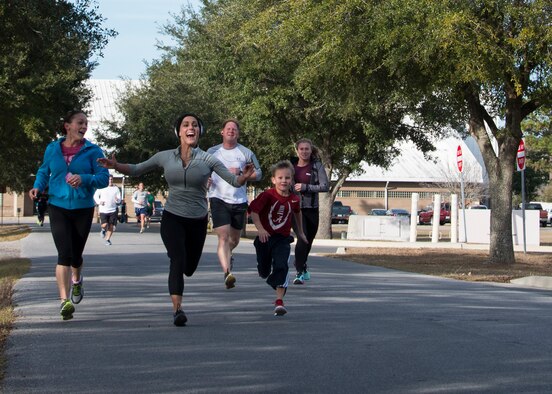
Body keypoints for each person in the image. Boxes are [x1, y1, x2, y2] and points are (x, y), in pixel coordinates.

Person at [98, 113, 255, 326]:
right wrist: (115, 165)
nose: (191, 128)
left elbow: (234, 181)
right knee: (177, 260)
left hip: (197, 220)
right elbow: (136, 169)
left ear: (199, 132)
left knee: (189, 267)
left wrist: (244, 177)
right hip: (173, 218)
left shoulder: (209, 159)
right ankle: (177, 309)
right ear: (179, 131)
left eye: (195, 125)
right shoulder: (165, 156)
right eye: (186, 125)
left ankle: (180, 279)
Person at [28, 110, 109, 320]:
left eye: (86, 124)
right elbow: (44, 171)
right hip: (58, 205)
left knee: (76, 255)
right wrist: (37, 186)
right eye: (80, 123)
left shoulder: (93, 150)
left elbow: (103, 178)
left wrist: (84, 178)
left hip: (82, 207)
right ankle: (64, 302)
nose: (84, 127)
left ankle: (76, 280)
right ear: (68, 126)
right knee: (63, 253)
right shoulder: (52, 148)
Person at [207, 119, 262, 289]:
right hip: (218, 198)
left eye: (234, 129)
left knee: (234, 239)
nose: (231, 131)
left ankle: (228, 255)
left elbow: (259, 174)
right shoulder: (212, 152)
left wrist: (241, 173)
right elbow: (202, 171)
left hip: (238, 200)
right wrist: (205, 180)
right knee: (223, 237)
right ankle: (227, 273)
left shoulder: (245, 153)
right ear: (222, 132)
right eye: (228, 128)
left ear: (238, 133)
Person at [248, 160, 307, 316]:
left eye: (287, 178)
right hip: (265, 239)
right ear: (273, 180)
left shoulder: (294, 199)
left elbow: (297, 213)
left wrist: (300, 232)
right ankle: (266, 273)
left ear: (292, 180)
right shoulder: (267, 195)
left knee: (282, 266)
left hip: (282, 238)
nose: (284, 181)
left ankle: (279, 302)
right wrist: (260, 230)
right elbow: (253, 211)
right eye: (280, 178)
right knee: (264, 271)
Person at [290, 138, 329, 285]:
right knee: (302, 237)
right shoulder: (291, 166)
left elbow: (325, 186)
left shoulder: (316, 166)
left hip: (312, 208)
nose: (304, 151)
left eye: (307, 149)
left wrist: (306, 187)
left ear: (311, 150)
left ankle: (302, 264)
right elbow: (284, 182)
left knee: (309, 240)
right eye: (301, 149)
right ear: (297, 150)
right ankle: (299, 271)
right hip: (296, 208)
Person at [94, 175, 121, 246]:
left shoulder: (116, 189)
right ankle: (103, 230)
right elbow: (95, 196)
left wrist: (117, 200)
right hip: (103, 209)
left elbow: (119, 198)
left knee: (111, 225)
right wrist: (99, 202)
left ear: (113, 180)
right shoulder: (101, 187)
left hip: (113, 210)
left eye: (111, 179)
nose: (110, 181)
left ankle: (107, 239)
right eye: (109, 179)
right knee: (104, 224)